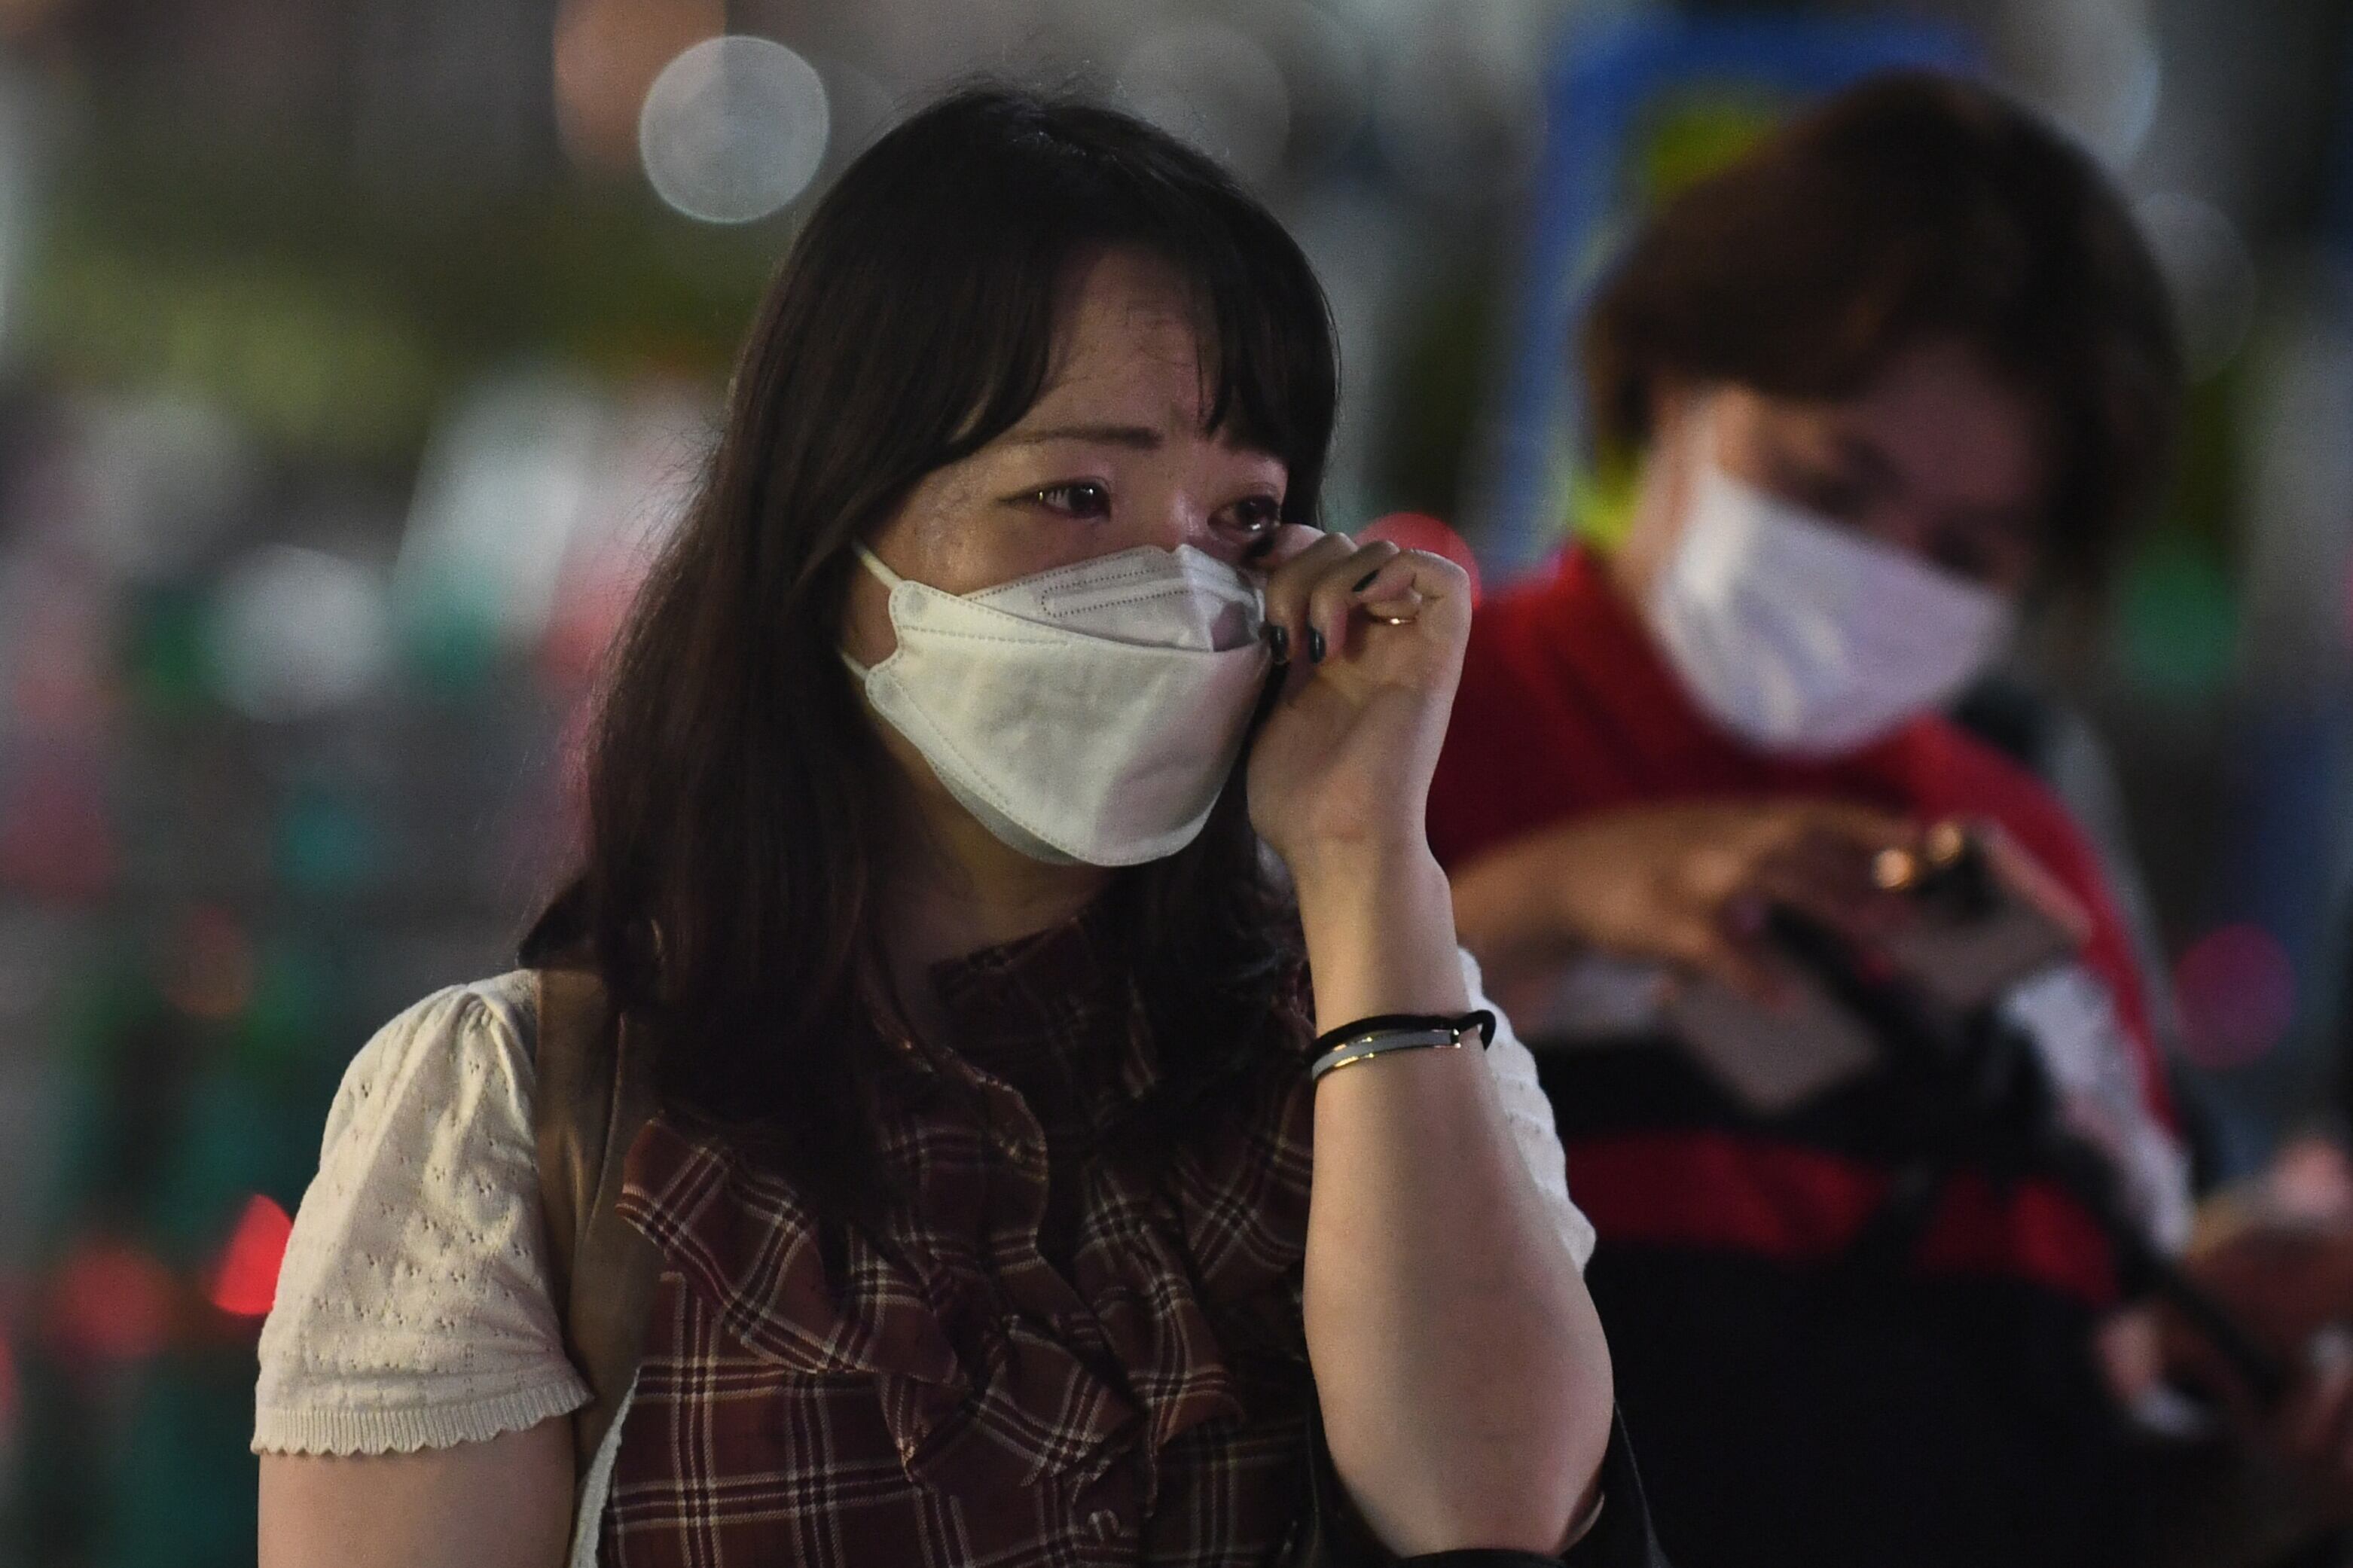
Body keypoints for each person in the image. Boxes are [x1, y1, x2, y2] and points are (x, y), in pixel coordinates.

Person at [250, 89, 1634, 1568]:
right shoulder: (521, 1115)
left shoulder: (1388, 1040)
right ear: (831, 532)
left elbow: (1492, 1514)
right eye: (1074, 495)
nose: (1177, 591)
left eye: (1241, 521)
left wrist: (1365, 856)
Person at [1431, 70, 2351, 1568]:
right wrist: (1529, 911)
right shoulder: (1420, 740)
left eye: (1966, 550)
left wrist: (2234, 1381)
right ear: (1666, 380)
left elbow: (2093, 1401)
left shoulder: (2020, 855)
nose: (1876, 572)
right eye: (1827, 483)